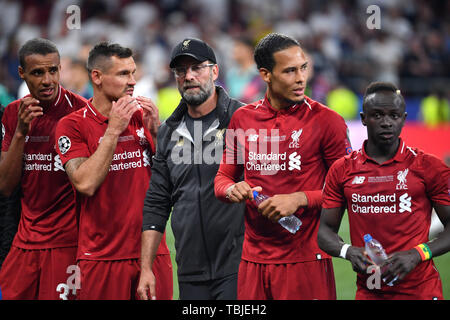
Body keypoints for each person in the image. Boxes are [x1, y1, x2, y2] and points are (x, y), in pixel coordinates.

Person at [214, 32, 352, 300]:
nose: (301, 78)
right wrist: (232, 190)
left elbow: (348, 189)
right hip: (253, 261)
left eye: (303, 68)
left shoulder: (328, 122)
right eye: (289, 71)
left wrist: (300, 198)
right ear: (266, 75)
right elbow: (222, 179)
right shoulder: (242, 119)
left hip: (306, 260)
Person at [54, 42, 172, 300]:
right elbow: (85, 184)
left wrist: (156, 135)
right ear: (97, 77)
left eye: (133, 73)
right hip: (102, 258)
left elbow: (171, 184)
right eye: (123, 74)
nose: (132, 81)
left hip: (152, 253)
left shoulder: (143, 119)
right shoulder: (72, 126)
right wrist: (113, 131)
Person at [318, 81, 450, 300]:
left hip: (421, 291)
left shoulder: (428, 167)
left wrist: (418, 254)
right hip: (370, 289)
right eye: (377, 115)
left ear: (404, 119)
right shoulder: (342, 169)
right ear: (363, 119)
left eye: (394, 116)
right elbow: (325, 231)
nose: (387, 122)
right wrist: (348, 251)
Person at [137, 38, 245, 300]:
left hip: (239, 266)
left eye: (197, 68)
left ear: (215, 71)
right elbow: (157, 203)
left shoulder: (242, 119)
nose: (189, 76)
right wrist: (146, 269)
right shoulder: (168, 132)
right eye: (181, 71)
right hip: (190, 270)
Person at [0, 38, 87, 300]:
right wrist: (20, 133)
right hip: (24, 243)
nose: (48, 80)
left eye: (53, 70)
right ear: (22, 73)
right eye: (38, 72)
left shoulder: (82, 112)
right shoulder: (14, 113)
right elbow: (5, 185)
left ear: (61, 69)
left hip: (67, 244)